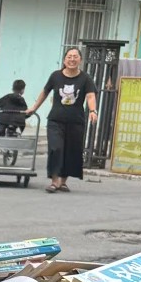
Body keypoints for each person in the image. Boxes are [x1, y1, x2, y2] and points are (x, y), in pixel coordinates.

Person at [25, 47, 98, 194]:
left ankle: (63, 181)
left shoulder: (85, 78)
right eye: (69, 56)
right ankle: (54, 181)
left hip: (76, 121)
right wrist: (34, 108)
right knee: (56, 148)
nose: (72, 59)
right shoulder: (55, 76)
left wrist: (92, 110)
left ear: (80, 60)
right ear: (64, 60)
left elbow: (90, 96)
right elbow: (44, 92)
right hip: (55, 120)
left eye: (75, 57)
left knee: (71, 151)